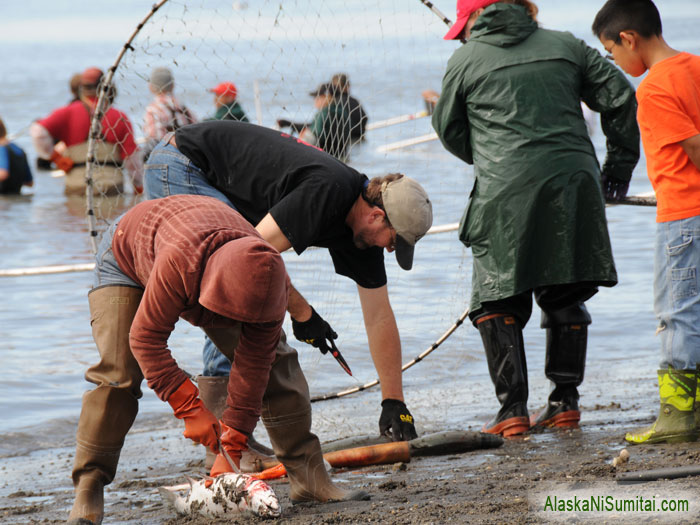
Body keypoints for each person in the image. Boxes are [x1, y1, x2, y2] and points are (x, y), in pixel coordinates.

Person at [66, 194, 367, 525]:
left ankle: (310, 480)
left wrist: (233, 442)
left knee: (275, 361)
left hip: (213, 253)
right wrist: (189, 407)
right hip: (127, 253)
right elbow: (145, 339)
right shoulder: (181, 262)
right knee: (118, 375)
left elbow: (252, 370)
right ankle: (89, 487)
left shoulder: (270, 279)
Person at [143, 121, 433, 459]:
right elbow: (248, 256)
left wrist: (394, 400)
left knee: (237, 287)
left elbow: (380, 315)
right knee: (234, 282)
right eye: (394, 242)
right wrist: (303, 313)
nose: (388, 251)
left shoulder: (363, 235)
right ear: (377, 216)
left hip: (212, 174)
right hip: (182, 163)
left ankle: (230, 440)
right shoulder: (328, 190)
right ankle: (226, 440)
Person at [431, 0, 640, 437]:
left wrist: (490, 156)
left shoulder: (464, 59)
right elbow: (621, 97)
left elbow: (449, 129)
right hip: (574, 179)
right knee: (563, 287)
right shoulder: (566, 45)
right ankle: (565, 403)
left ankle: (512, 411)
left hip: (505, 185)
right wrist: (618, 168)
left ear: (470, 22)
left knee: (495, 297)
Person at [593, 0, 700, 445]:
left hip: (682, 216)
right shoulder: (695, 66)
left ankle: (677, 417)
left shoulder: (653, 88)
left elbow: (694, 147)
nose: (614, 61)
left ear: (629, 39)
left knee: (677, 312)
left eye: (610, 51)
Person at [30, 66, 143, 196]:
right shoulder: (119, 117)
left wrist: (56, 158)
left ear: (81, 89)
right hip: (111, 187)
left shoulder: (68, 113)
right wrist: (138, 187)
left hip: (77, 186)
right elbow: (132, 160)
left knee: (74, 215)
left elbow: (37, 131)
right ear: (106, 87)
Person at [277, 82, 352, 160]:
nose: (315, 100)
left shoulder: (324, 113)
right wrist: (289, 124)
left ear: (328, 97)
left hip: (324, 158)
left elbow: (315, 135)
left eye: (318, 97)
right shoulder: (342, 111)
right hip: (341, 156)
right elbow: (316, 126)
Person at [142, 67, 197, 160]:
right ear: (172, 86)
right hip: (188, 157)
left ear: (151, 87)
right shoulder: (185, 109)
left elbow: (154, 137)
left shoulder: (153, 109)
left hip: (166, 158)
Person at [330, 73, 368, 141]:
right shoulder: (354, 101)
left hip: (345, 139)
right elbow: (365, 117)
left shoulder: (335, 102)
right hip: (359, 137)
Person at [0, 117, 33, 194]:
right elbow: (30, 183)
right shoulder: (19, 150)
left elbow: (3, 174)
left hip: (4, 200)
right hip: (16, 194)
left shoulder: (1, 149)